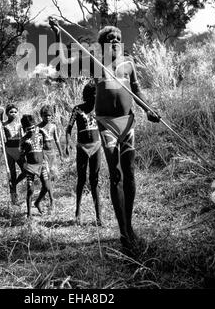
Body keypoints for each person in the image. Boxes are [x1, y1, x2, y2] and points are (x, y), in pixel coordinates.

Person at [49, 19, 160, 249]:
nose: (116, 42)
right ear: (102, 45)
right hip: (107, 123)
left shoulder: (129, 64)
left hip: (128, 123)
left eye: (118, 39)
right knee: (116, 174)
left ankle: (129, 226)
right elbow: (62, 65)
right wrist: (57, 34)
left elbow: (137, 91)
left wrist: (148, 110)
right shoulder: (95, 63)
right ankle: (123, 232)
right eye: (110, 40)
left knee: (129, 173)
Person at [66, 81, 102, 226]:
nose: (95, 97)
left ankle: (99, 216)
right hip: (82, 147)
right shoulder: (77, 109)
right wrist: (68, 143)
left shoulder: (99, 109)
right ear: (87, 95)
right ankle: (77, 213)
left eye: (97, 95)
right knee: (81, 180)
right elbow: (68, 128)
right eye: (93, 94)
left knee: (95, 180)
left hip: (96, 146)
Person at [20, 114, 54, 218]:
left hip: (42, 164)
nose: (31, 130)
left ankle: (37, 202)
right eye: (28, 129)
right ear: (24, 129)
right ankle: (29, 212)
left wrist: (46, 163)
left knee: (47, 186)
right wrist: (24, 165)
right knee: (30, 189)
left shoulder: (40, 135)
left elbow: (42, 149)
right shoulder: (23, 140)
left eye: (33, 128)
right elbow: (21, 155)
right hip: (30, 167)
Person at [3, 104, 25, 204]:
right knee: (12, 174)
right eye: (11, 112)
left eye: (15, 112)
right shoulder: (3, 125)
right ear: (7, 113)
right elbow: (2, 138)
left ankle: (15, 183)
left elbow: (24, 136)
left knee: (26, 170)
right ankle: (14, 198)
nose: (13, 114)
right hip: (9, 150)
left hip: (19, 150)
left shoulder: (20, 124)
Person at [38, 104, 63, 180]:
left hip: (52, 151)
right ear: (41, 116)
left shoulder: (53, 126)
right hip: (43, 152)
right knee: (46, 171)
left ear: (52, 115)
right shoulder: (38, 127)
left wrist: (61, 153)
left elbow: (57, 140)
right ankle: (47, 186)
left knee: (54, 170)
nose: (47, 117)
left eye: (49, 115)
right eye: (45, 116)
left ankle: (53, 186)